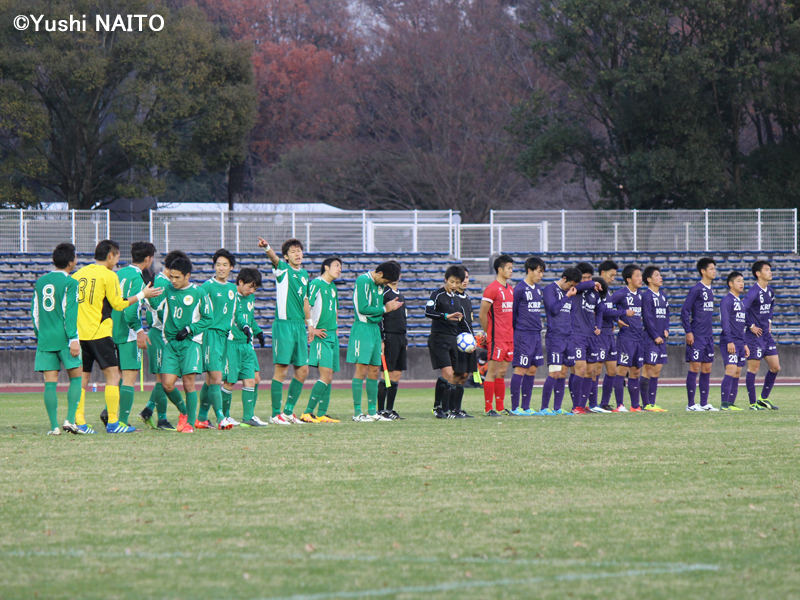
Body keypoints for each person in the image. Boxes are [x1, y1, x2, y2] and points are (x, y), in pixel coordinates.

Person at [72, 239, 161, 434]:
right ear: (110, 255)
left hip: (81, 334)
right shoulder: (113, 275)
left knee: (82, 379)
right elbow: (121, 306)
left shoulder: (79, 274)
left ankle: (78, 420)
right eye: (117, 256)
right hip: (106, 332)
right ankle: (116, 422)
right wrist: (142, 296)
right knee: (118, 377)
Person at [256, 237, 320, 425]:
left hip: (299, 326)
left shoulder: (305, 274)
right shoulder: (282, 270)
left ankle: (288, 412)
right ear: (286, 256)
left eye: (299, 250)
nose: (297, 253)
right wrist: (267, 247)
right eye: (292, 251)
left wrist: (310, 324)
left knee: (303, 371)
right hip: (283, 326)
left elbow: (305, 301)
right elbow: (274, 258)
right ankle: (276, 414)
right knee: (282, 370)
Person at [157, 256, 214, 433]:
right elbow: (158, 311)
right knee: (167, 384)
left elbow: (208, 318)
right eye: (171, 277)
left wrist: (189, 329)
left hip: (190, 344)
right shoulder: (167, 290)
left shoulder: (198, 293)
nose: (173, 281)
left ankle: (189, 423)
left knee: (189, 384)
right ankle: (183, 412)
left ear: (187, 276)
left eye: (177, 277)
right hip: (171, 345)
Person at [31, 243, 82, 435]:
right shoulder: (71, 282)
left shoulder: (40, 281)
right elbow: (70, 312)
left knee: (50, 382)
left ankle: (54, 427)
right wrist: (74, 339)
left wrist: (40, 336)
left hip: (46, 339)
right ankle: (69, 420)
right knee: (76, 378)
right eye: (75, 257)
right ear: (71, 262)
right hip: (65, 339)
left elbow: (34, 313)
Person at [347, 261, 404, 421]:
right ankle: (357, 413)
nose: (385, 285)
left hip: (374, 330)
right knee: (361, 370)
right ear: (379, 274)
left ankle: (372, 412)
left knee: (374, 370)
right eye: (385, 281)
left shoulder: (379, 285)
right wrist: (386, 308)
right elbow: (363, 308)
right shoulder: (363, 281)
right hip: (362, 329)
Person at [139, 250, 189, 431]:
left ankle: (149, 410)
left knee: (164, 379)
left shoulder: (164, 282)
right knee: (162, 379)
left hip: (162, 335)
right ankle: (162, 419)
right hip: (159, 333)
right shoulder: (161, 283)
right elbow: (159, 311)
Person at [111, 242, 156, 431]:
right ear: (148, 259)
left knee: (116, 377)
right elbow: (130, 312)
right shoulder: (138, 278)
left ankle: (109, 411)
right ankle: (121, 422)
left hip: (110, 330)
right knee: (129, 378)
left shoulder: (118, 273)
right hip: (127, 332)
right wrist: (139, 332)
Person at [223, 267, 270, 427]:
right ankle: (225, 416)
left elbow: (249, 318)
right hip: (232, 344)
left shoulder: (251, 298)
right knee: (230, 381)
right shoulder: (230, 296)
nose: (252, 290)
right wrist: (243, 327)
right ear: (240, 282)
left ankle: (248, 417)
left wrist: (258, 332)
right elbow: (237, 317)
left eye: (255, 288)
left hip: (246, 345)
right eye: (250, 286)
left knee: (253, 379)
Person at [197, 249, 238, 429]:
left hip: (223, 337)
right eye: (218, 265)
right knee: (217, 377)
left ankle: (201, 418)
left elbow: (232, 314)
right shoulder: (207, 287)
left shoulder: (232, 289)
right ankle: (221, 417)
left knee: (210, 380)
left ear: (231, 268)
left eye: (225, 265)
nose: (221, 268)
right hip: (210, 335)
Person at [301, 257, 343, 423]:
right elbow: (306, 305)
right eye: (336, 266)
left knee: (330, 375)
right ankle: (308, 412)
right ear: (326, 267)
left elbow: (335, 308)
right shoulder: (316, 284)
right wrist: (311, 327)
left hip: (332, 334)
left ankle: (322, 413)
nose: (339, 269)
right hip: (321, 335)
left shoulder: (332, 287)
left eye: (340, 267)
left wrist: (336, 326)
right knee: (325, 375)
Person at [537, 267, 583, 415]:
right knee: (555, 373)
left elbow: (570, 314)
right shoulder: (550, 289)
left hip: (568, 337)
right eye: (570, 285)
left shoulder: (569, 291)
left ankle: (557, 408)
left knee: (564, 373)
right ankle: (544, 407)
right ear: (564, 279)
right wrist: (567, 296)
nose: (571, 289)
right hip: (555, 337)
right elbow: (554, 309)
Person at [426, 265, 466, 419]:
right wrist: (445, 316)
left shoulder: (456, 299)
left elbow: (460, 320)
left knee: (452, 375)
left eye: (457, 282)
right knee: (447, 373)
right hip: (439, 338)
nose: (454, 285)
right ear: (445, 279)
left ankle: (446, 409)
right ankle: (437, 407)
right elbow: (427, 311)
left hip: (453, 338)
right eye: (451, 281)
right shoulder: (437, 295)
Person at [478, 255, 514, 416]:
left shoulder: (510, 289)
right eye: (509, 268)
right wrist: (488, 333)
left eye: (512, 268)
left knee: (502, 373)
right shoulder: (492, 288)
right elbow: (482, 314)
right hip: (497, 338)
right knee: (492, 372)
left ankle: (500, 407)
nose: (511, 271)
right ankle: (488, 408)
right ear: (500, 269)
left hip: (509, 338)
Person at [681, 257, 719, 411]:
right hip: (696, 335)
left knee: (707, 369)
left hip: (708, 336)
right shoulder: (696, 289)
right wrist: (689, 332)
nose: (714, 271)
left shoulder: (711, 290)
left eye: (714, 268)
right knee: (694, 368)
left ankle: (704, 403)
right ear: (703, 271)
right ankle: (690, 404)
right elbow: (684, 311)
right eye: (711, 268)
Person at [510, 257, 546, 416]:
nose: (541, 275)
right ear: (529, 270)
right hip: (523, 334)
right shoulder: (519, 289)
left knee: (532, 369)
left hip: (536, 335)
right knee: (521, 368)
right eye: (539, 272)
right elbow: (513, 313)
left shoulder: (538, 289)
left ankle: (526, 407)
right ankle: (514, 407)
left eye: (543, 272)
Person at [743, 261, 780, 410]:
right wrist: (750, 325)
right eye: (767, 270)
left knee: (776, 367)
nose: (770, 272)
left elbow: (771, 306)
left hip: (766, 335)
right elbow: (742, 308)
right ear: (758, 274)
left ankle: (763, 399)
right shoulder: (753, 292)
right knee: (753, 369)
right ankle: (752, 403)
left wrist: (769, 320)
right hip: (754, 337)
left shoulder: (770, 291)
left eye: (770, 269)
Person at [609, 264, 645, 412]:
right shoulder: (621, 294)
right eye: (637, 275)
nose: (640, 278)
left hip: (639, 338)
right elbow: (605, 308)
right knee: (622, 371)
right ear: (629, 279)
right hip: (626, 338)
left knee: (636, 372)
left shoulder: (642, 295)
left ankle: (635, 406)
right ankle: (619, 405)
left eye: (641, 275)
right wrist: (616, 320)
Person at [597, 260, 630, 410]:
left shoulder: (607, 290)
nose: (613, 278)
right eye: (611, 275)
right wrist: (623, 313)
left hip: (610, 334)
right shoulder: (596, 289)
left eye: (614, 276)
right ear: (602, 273)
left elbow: (608, 309)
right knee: (596, 370)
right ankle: (591, 404)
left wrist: (617, 320)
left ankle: (604, 403)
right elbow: (602, 311)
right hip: (599, 334)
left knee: (612, 370)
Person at [571, 275, 606, 413]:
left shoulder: (594, 292)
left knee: (591, 371)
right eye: (584, 278)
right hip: (578, 334)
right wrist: (592, 283)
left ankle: (583, 405)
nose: (587, 280)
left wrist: (598, 325)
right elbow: (578, 286)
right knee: (581, 369)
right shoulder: (575, 290)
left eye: (589, 277)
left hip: (591, 335)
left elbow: (600, 310)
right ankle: (576, 406)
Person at [378, 261, 407, 420]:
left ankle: (390, 409)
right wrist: (382, 339)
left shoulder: (400, 294)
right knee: (386, 374)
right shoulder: (383, 293)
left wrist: (405, 340)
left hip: (401, 338)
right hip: (389, 337)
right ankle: (381, 410)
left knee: (396, 374)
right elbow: (379, 317)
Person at [719, 271, 750, 411]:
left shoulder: (741, 303)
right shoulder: (727, 300)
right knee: (730, 370)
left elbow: (741, 325)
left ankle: (731, 403)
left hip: (739, 341)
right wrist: (729, 341)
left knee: (737, 371)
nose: (742, 283)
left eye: (742, 281)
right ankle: (724, 404)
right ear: (731, 284)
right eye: (738, 281)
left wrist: (744, 344)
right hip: (729, 340)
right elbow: (725, 321)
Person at [640, 265, 669, 412]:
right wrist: (655, 335)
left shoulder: (663, 295)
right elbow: (647, 318)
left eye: (660, 275)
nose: (661, 277)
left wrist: (666, 329)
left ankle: (652, 402)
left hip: (661, 339)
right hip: (651, 339)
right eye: (657, 275)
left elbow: (667, 314)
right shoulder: (646, 296)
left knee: (657, 371)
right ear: (649, 280)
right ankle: (646, 404)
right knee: (648, 370)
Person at [452, 267, 477, 417]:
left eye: (467, 277)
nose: (465, 280)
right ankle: (448, 408)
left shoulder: (467, 299)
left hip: (468, 342)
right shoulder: (452, 298)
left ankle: (458, 408)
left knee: (465, 375)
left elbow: (468, 321)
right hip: (457, 342)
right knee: (456, 374)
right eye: (462, 278)